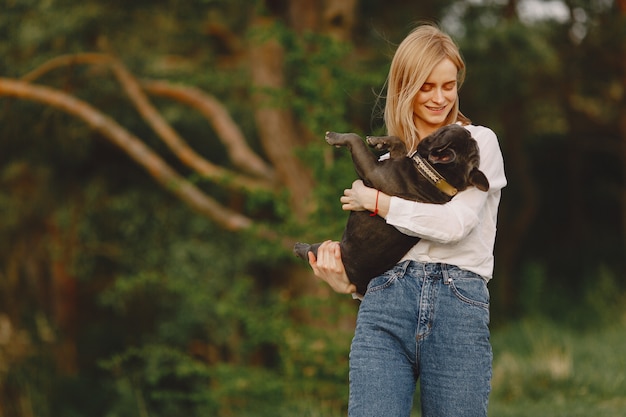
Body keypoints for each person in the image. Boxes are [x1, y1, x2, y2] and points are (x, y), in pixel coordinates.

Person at [308, 23, 507, 417]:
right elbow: (375, 248)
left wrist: (381, 203)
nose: (439, 98)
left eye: (447, 86)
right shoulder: (387, 164)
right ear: (404, 87)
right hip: (384, 304)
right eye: (426, 86)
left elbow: (455, 226)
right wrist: (348, 282)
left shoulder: (476, 144)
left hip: (458, 304)